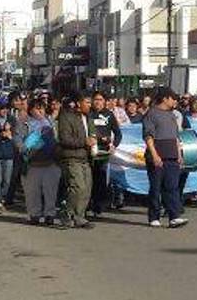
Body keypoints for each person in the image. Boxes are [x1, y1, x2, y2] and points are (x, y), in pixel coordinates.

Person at [143, 87, 188, 228]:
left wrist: (179, 154)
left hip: (172, 155)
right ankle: (154, 216)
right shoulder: (151, 114)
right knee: (156, 188)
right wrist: (155, 155)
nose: (175, 101)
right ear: (165, 99)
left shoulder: (172, 115)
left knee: (172, 187)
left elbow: (176, 137)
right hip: (157, 155)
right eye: (172, 98)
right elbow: (148, 136)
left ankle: (174, 216)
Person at [15, 98, 62, 226]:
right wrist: (26, 148)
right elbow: (18, 140)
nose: (40, 110)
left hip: (51, 163)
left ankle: (50, 215)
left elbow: (59, 139)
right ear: (30, 110)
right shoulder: (24, 123)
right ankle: (34, 214)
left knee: (50, 191)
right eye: (37, 107)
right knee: (32, 192)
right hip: (31, 164)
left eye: (42, 107)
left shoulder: (52, 123)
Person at [57, 92, 96, 228]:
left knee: (87, 188)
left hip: (86, 157)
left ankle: (79, 216)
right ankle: (67, 212)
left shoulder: (87, 118)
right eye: (87, 102)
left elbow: (92, 134)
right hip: (72, 157)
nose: (90, 105)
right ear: (79, 103)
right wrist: (84, 141)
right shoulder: (66, 117)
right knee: (77, 186)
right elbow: (65, 139)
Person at [88, 91, 122, 217]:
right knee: (88, 180)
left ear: (105, 101)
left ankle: (98, 206)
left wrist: (114, 145)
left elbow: (118, 133)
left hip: (103, 153)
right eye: (95, 99)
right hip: (88, 151)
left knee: (101, 179)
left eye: (100, 99)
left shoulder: (109, 115)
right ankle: (87, 205)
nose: (98, 102)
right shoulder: (88, 113)